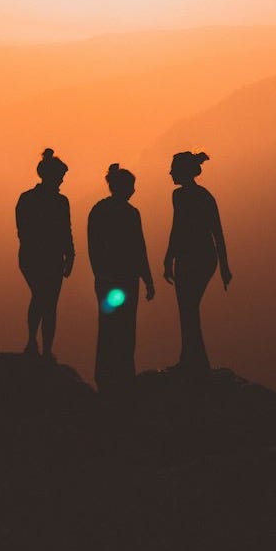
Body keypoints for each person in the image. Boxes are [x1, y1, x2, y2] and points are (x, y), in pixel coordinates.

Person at [87, 163, 155, 391]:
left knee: (108, 325)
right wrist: (148, 279)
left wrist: (100, 274)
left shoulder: (99, 210)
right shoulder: (130, 214)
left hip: (109, 280)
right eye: (132, 186)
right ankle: (124, 374)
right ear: (122, 187)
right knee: (126, 327)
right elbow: (139, 249)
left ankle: (106, 374)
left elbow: (93, 248)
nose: (134, 190)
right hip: (125, 280)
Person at [163, 150, 231, 371]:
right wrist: (169, 258)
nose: (170, 173)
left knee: (188, 308)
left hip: (197, 258)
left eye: (173, 169)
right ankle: (193, 359)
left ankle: (193, 361)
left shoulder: (198, 197)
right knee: (188, 309)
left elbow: (216, 231)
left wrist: (225, 267)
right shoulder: (189, 196)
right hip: (192, 256)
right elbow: (178, 228)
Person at [16, 148, 75, 360]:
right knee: (46, 301)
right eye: (61, 177)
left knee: (43, 299)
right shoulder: (57, 202)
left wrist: (70, 254)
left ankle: (36, 345)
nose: (62, 181)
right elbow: (63, 231)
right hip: (44, 258)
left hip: (36, 258)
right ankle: (41, 347)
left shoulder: (28, 199)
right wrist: (69, 255)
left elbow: (23, 231)